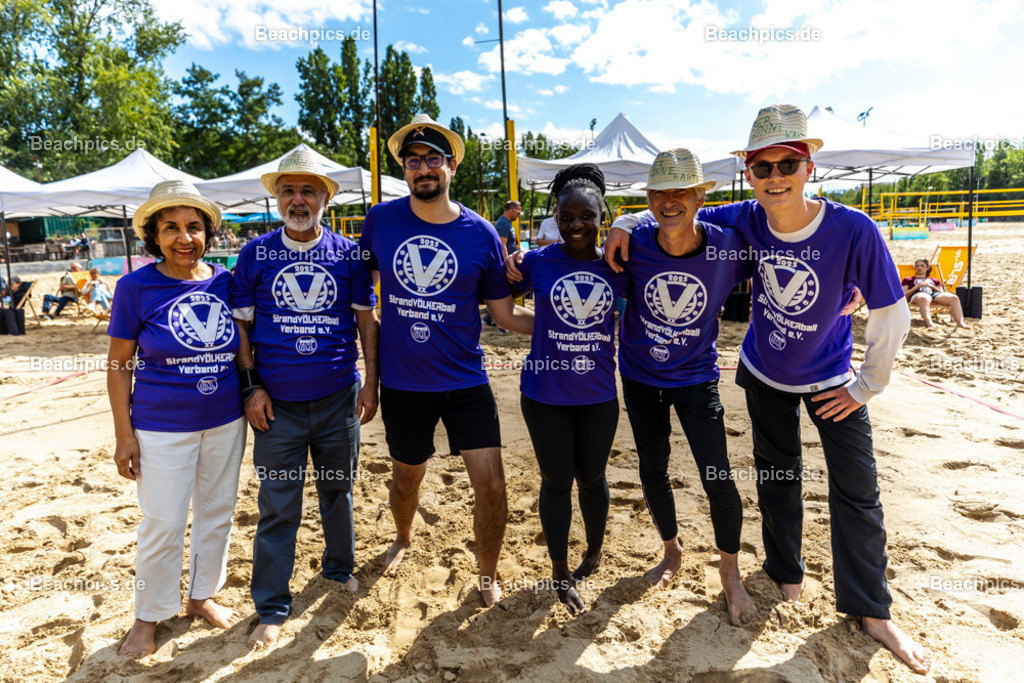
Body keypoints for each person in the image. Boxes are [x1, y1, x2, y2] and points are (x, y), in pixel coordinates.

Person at [603, 105, 930, 674]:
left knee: (857, 493)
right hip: (762, 372)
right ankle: (785, 572)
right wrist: (619, 224)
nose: (775, 176)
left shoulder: (852, 228)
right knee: (779, 479)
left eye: (788, 163)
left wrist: (865, 387)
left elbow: (892, 313)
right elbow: (668, 212)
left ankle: (872, 610)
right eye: (763, 166)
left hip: (832, 379)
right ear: (749, 173)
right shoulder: (748, 217)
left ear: (809, 167)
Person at [359, 113, 533, 607]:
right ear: (405, 170)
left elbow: (503, 315)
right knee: (405, 478)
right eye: (413, 161)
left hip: (465, 380)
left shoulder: (481, 233)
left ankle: (488, 573)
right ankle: (403, 537)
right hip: (402, 382)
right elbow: (361, 302)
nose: (423, 169)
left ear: (452, 165)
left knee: (493, 484)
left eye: (433, 159)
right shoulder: (380, 221)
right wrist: (369, 378)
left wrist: (568, 328)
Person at [231, 149, 380, 651]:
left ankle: (338, 571)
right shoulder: (254, 254)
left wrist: (372, 380)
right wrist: (251, 387)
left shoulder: (349, 254)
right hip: (278, 409)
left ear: (324, 199)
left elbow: (364, 321)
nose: (298, 200)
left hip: (339, 399)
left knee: (338, 492)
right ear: (277, 197)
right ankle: (271, 606)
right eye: (289, 191)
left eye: (308, 191)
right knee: (277, 508)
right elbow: (242, 328)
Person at [107, 180, 245, 658]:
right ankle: (148, 616)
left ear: (208, 233)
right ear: (154, 236)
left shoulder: (226, 282)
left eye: (193, 227)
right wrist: (124, 434)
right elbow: (119, 364)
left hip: (226, 421)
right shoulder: (134, 287)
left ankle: (201, 596)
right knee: (163, 522)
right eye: (171, 228)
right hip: (160, 427)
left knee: (216, 514)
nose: (184, 238)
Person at [508, 163, 627, 615]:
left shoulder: (619, 264)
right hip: (544, 396)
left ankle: (593, 553)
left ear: (603, 217)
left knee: (593, 479)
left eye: (587, 216)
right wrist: (508, 261)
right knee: (556, 482)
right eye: (566, 217)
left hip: (598, 396)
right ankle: (559, 571)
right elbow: (499, 302)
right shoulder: (537, 262)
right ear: (554, 219)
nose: (577, 225)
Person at [902, 259, 966, 328]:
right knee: (924, 297)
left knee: (954, 298)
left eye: (922, 266)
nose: (919, 267)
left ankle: (960, 323)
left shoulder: (935, 280)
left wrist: (931, 286)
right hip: (917, 295)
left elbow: (941, 292)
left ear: (927, 268)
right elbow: (904, 294)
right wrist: (916, 287)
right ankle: (929, 323)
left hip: (934, 294)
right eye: (917, 266)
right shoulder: (908, 279)